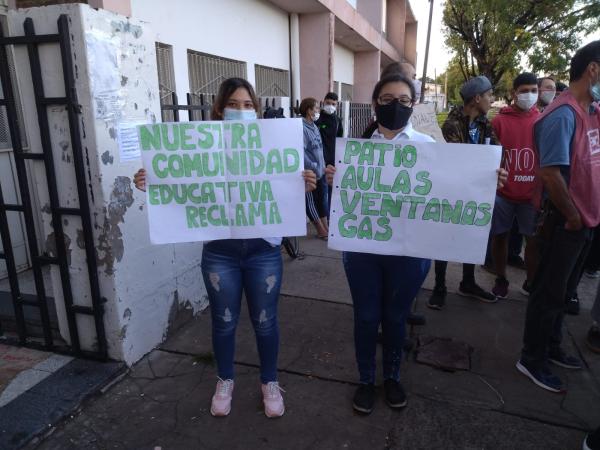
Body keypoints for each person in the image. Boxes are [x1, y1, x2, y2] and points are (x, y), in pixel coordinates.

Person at [133, 77, 318, 418]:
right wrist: (153, 182)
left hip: (264, 251)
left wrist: (304, 183)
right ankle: (225, 379)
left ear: (257, 111)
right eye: (234, 104)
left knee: (265, 321)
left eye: (248, 105)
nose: (241, 111)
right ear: (219, 109)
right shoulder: (199, 149)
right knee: (224, 321)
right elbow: (180, 182)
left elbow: (286, 184)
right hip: (220, 254)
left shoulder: (272, 146)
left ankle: (269, 381)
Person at [325, 74, 508, 414]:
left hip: (411, 254)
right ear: (375, 101)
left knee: (395, 317)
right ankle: (366, 380)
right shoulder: (357, 150)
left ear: (413, 105)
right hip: (363, 250)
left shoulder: (429, 146)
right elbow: (343, 200)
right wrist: (335, 180)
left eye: (404, 100)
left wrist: (487, 182)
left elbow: (456, 186)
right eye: (387, 98)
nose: (396, 105)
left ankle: (392, 376)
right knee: (366, 317)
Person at [517, 40, 600, 393]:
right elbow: (550, 175)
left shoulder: (592, 110)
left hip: (585, 220)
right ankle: (531, 358)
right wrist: (573, 216)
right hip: (566, 221)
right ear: (593, 69)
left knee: (564, 291)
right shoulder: (562, 115)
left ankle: (552, 346)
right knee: (549, 291)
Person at [427, 76, 498, 309]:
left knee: (471, 236)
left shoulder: (484, 123)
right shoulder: (452, 125)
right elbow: (455, 162)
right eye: (489, 95)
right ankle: (439, 286)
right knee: (443, 240)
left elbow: (496, 152)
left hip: (476, 193)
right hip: (450, 192)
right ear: (476, 98)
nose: (492, 99)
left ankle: (468, 282)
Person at [490, 72, 540, 298]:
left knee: (533, 242)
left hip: (531, 195)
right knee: (500, 237)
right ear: (513, 94)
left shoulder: (542, 120)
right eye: (524, 91)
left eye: (533, 90)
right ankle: (501, 278)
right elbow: (491, 154)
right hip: (503, 193)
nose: (529, 95)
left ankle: (531, 281)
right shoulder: (499, 121)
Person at [300, 97, 329, 239]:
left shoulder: (315, 126)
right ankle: (320, 229)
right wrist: (314, 166)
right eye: (316, 108)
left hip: (321, 170)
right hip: (311, 172)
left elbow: (319, 148)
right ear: (308, 110)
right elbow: (301, 152)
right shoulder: (302, 128)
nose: (318, 111)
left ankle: (326, 227)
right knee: (310, 202)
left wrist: (322, 165)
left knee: (322, 200)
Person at [315, 92, 344, 213]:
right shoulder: (317, 119)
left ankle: (330, 219)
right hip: (319, 161)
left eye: (333, 104)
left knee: (332, 192)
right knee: (321, 193)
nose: (330, 106)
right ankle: (323, 218)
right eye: (328, 103)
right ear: (323, 102)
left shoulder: (337, 121)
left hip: (333, 162)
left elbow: (340, 139)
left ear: (336, 106)